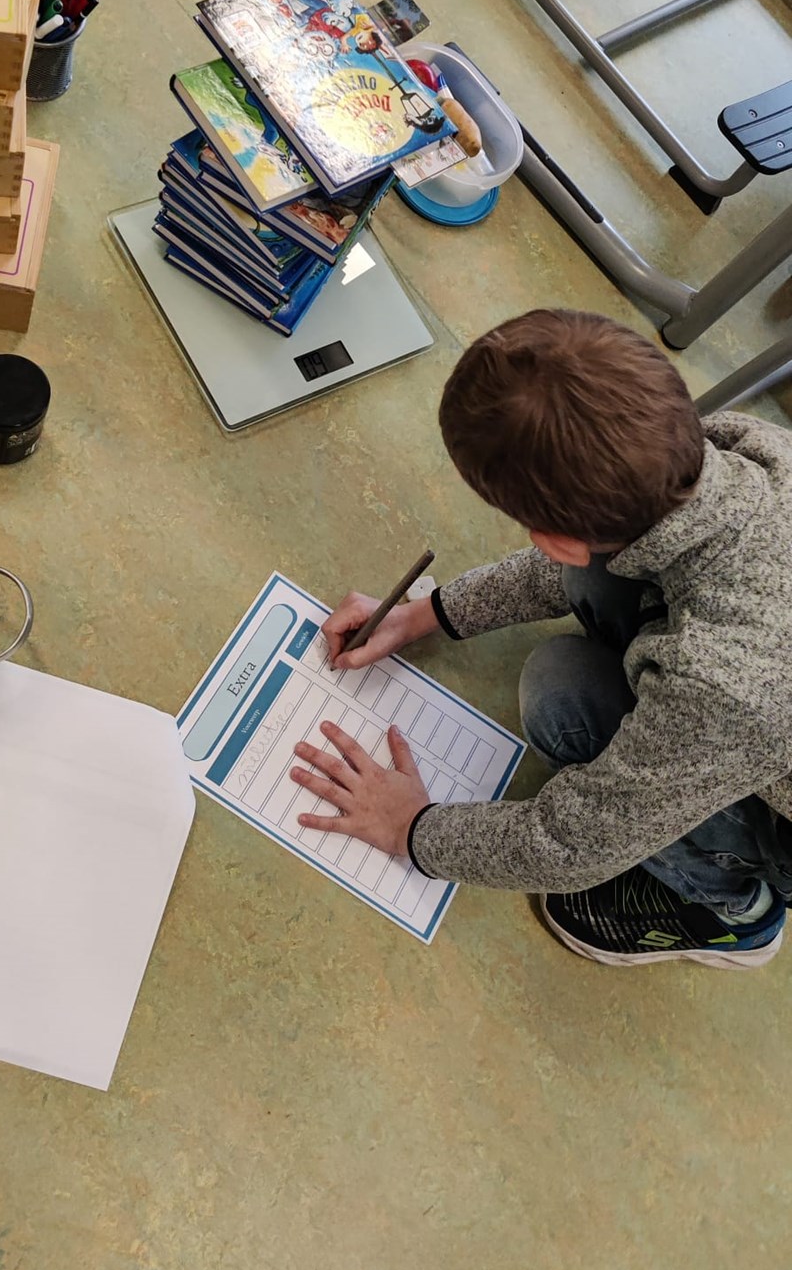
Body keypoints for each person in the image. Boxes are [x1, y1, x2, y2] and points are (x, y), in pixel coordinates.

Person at [290, 310, 792, 968]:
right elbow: (586, 556)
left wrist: (411, 829)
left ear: (555, 540)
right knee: (599, 586)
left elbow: (574, 844)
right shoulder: (743, 446)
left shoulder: (724, 683)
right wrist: (422, 615)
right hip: (761, 679)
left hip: (773, 778)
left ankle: (737, 911)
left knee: (560, 699)